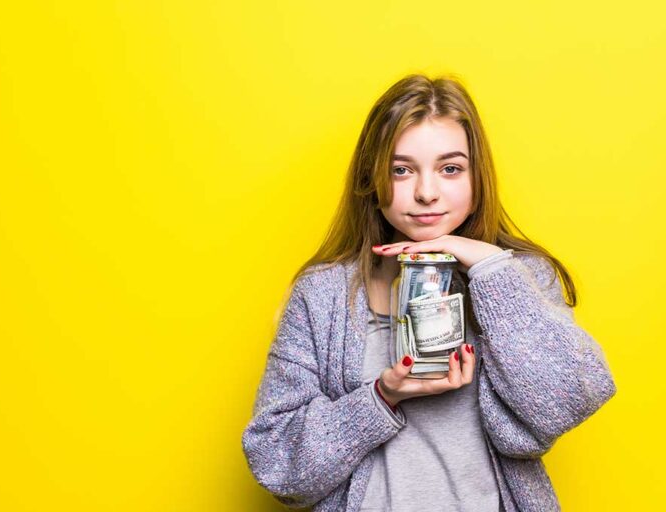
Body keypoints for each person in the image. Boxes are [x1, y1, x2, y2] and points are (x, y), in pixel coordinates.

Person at [241, 73, 617, 512]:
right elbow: (277, 464)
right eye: (401, 170)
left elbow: (565, 402)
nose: (425, 192)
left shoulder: (517, 277)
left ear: (478, 181)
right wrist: (382, 396)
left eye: (450, 168)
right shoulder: (323, 296)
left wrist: (489, 268)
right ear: (371, 178)